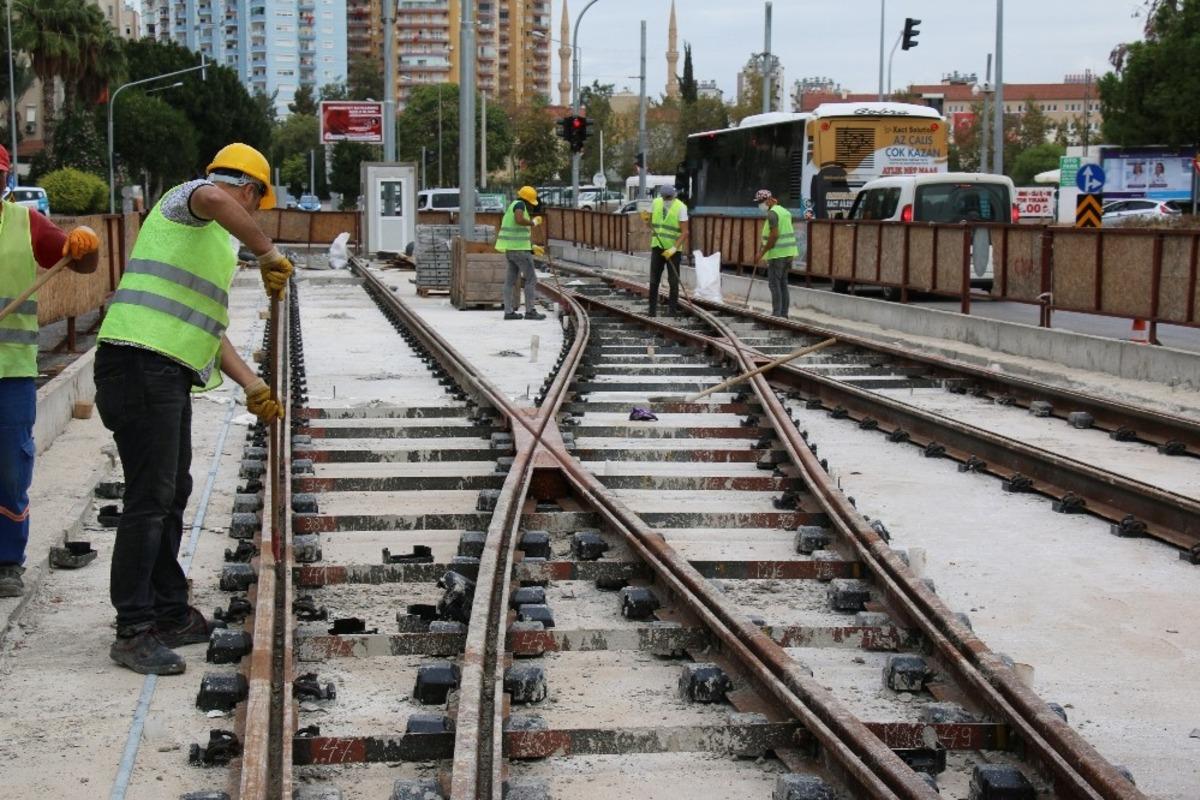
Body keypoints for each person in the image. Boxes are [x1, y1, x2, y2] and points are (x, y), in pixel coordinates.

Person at [94, 143, 292, 675]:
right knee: (150, 496)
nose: (251, 214)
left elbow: (210, 329)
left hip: (163, 370)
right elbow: (213, 196)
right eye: (255, 202)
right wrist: (267, 252)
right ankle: (133, 629)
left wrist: (253, 387)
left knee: (172, 491)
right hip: (136, 362)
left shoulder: (214, 247)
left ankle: (169, 611)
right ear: (248, 189)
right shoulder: (190, 199)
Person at [0, 145, 101, 597]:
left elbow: (81, 262)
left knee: (9, 468)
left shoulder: (25, 225)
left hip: (10, 373)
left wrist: (84, 242)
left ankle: (5, 561)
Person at [495, 185, 545, 321]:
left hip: (511, 250)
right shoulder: (520, 205)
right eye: (531, 203)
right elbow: (519, 220)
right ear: (528, 200)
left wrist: (532, 246)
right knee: (531, 279)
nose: (531, 206)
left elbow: (517, 232)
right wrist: (533, 223)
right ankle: (530, 311)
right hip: (520, 252)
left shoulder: (512, 205)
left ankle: (508, 311)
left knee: (510, 281)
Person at [750, 190, 798, 318]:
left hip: (778, 254)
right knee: (783, 283)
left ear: (767, 200)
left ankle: (777, 314)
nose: (760, 205)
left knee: (774, 284)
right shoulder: (784, 211)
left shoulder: (772, 214)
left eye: (760, 202)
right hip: (789, 253)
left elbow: (774, 235)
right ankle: (784, 314)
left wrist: (761, 253)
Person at [646, 184, 688, 316]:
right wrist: (646, 219)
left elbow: (685, 232)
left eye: (668, 197)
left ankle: (672, 312)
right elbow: (650, 223)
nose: (667, 199)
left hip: (673, 250)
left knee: (673, 281)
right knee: (654, 280)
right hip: (657, 247)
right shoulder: (656, 203)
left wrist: (674, 248)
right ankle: (651, 311)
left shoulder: (681, 207)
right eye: (666, 197)